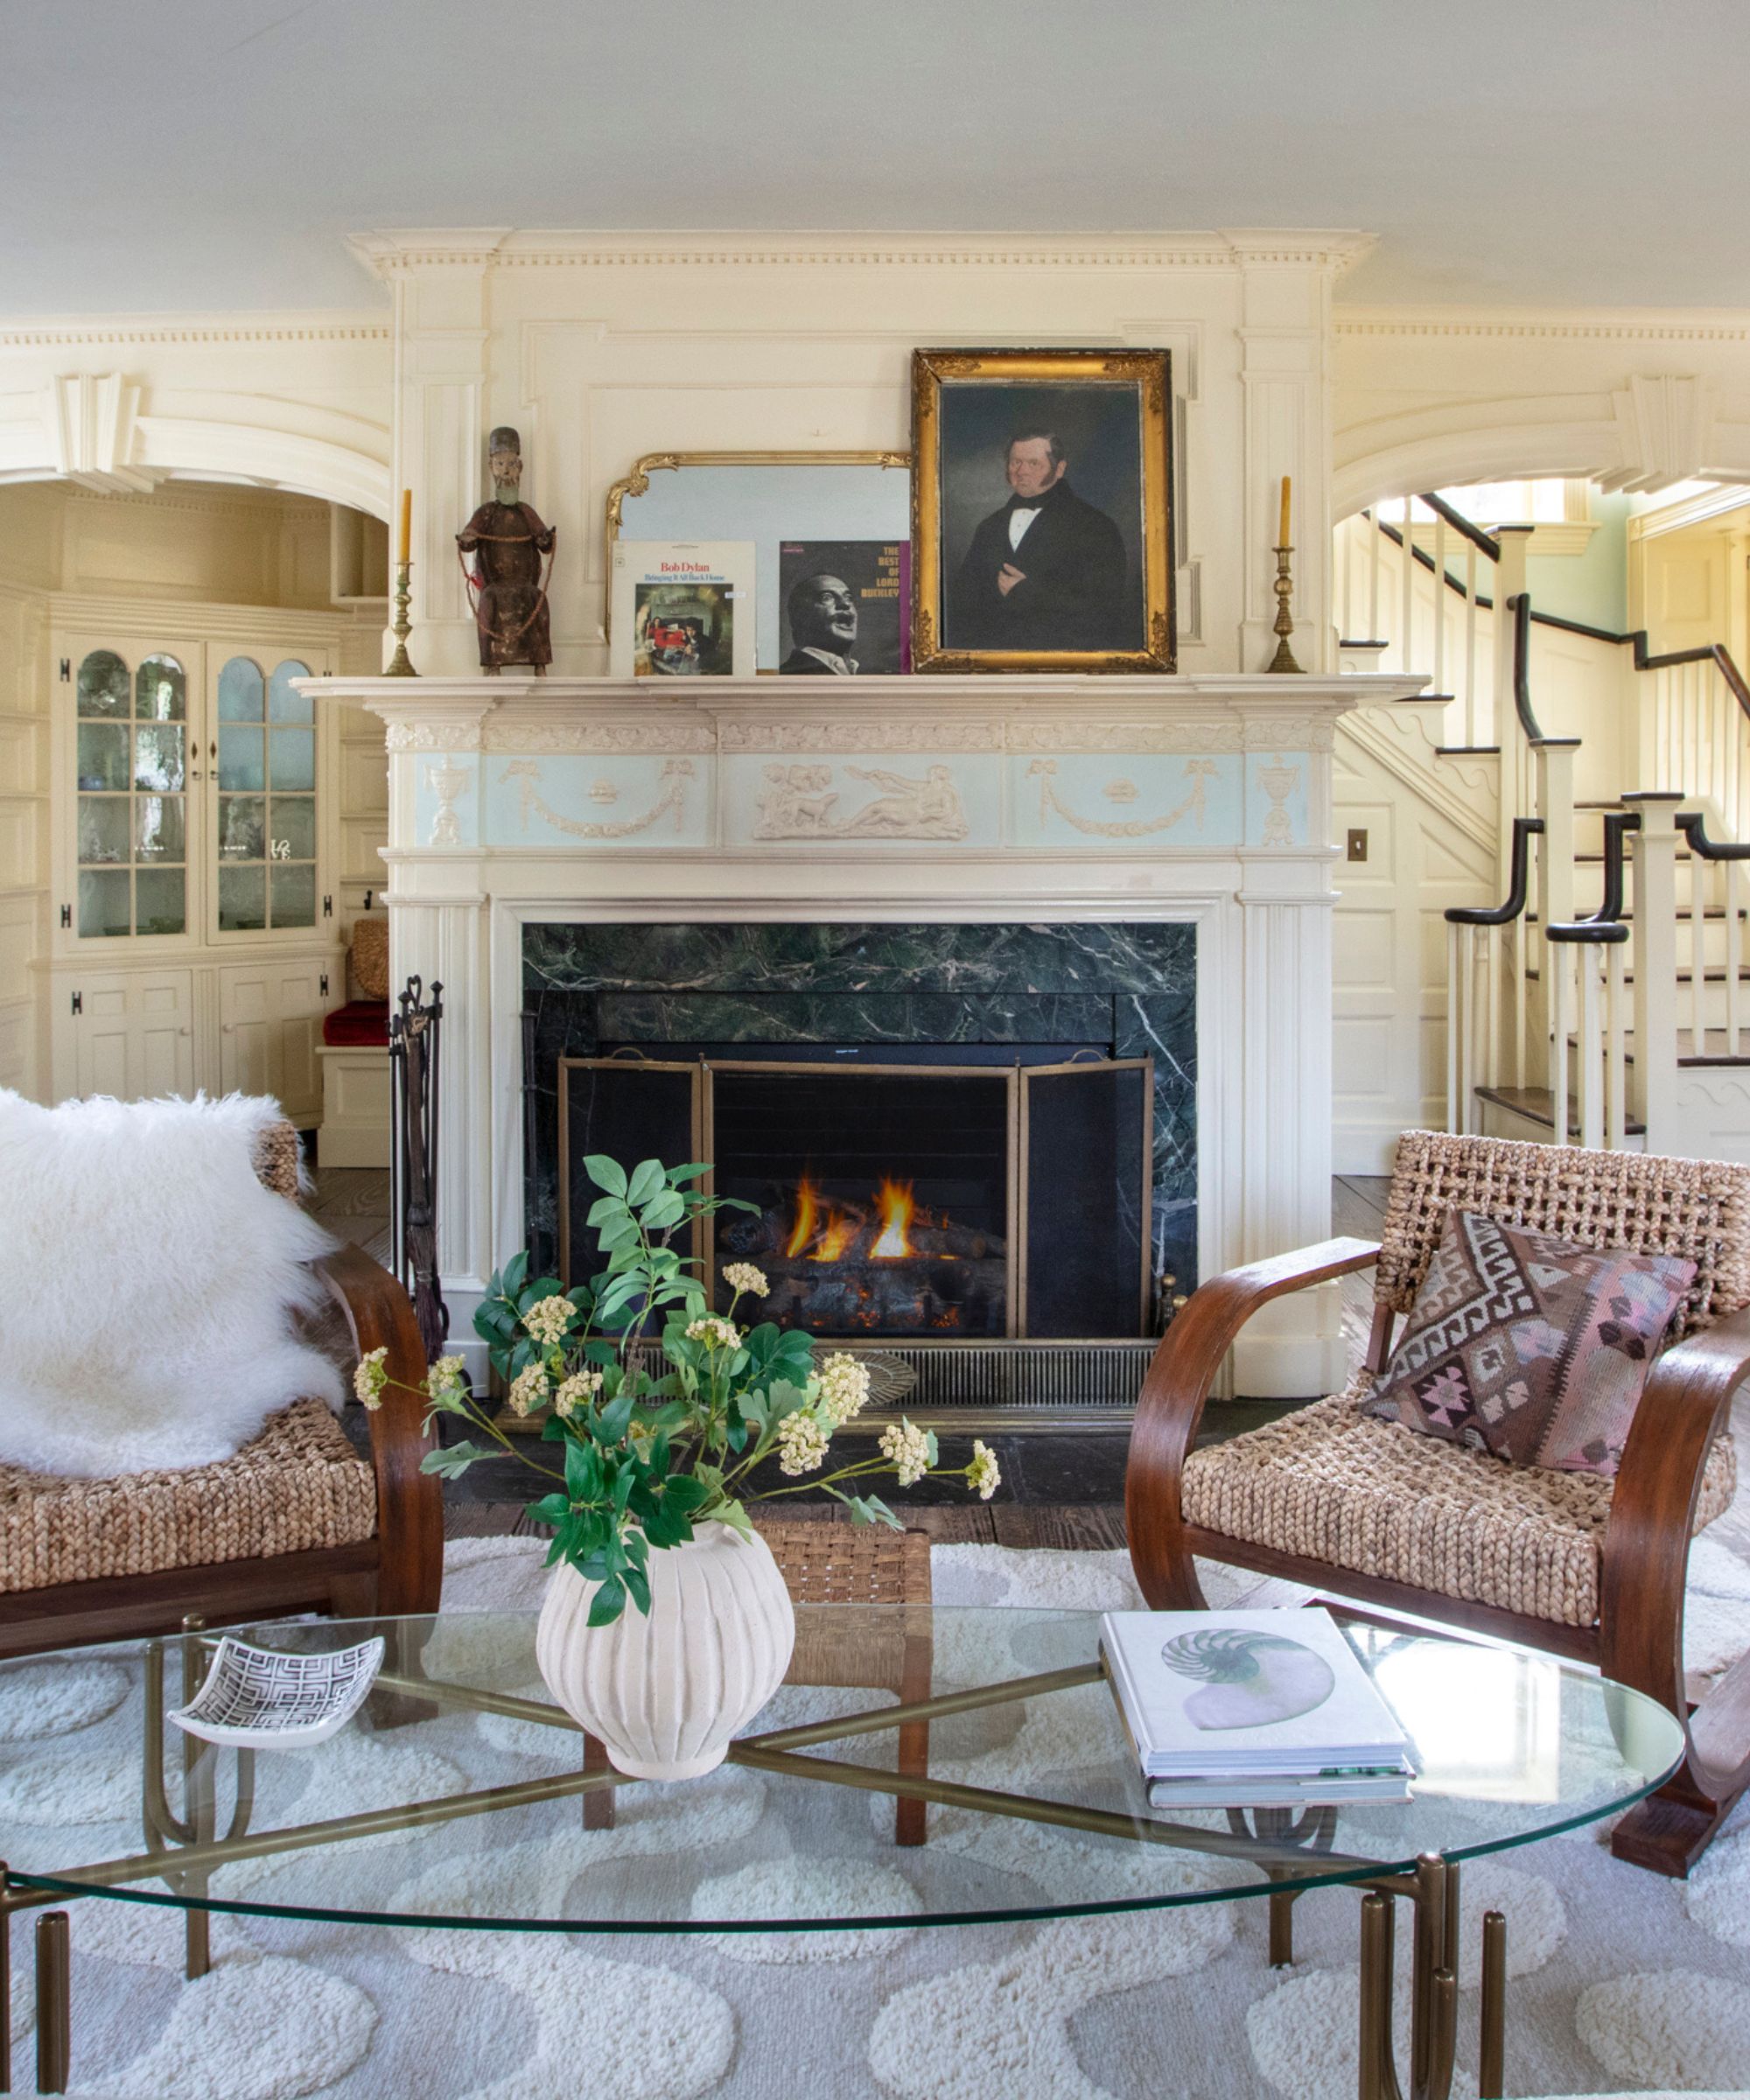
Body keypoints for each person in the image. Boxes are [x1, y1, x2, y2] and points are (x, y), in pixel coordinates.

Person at [948, 429, 1134, 652]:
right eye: (1016, 462)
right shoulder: (989, 527)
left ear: (1060, 469)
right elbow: (964, 600)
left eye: (1034, 463)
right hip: (992, 661)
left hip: (1062, 660)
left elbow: (1104, 606)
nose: (1022, 471)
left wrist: (1027, 592)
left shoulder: (1095, 526)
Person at [456, 427, 555, 673]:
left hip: (525, 584)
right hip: (495, 586)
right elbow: (469, 542)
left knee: (538, 603)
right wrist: (467, 539)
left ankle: (540, 665)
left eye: (511, 464)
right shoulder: (487, 512)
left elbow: (545, 545)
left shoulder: (525, 511)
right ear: (492, 467)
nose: (506, 470)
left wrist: (545, 538)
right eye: (500, 464)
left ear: (519, 467)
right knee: (488, 603)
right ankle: (492, 665)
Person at [780, 571, 859, 673]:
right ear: (801, 616)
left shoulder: (865, 673)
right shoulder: (788, 675)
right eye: (826, 597)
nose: (845, 604)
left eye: (848, 598)